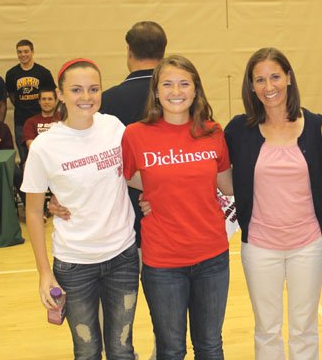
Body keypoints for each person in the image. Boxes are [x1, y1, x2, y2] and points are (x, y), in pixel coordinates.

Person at [21, 58, 139, 359]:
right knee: (86, 351)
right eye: (76, 90)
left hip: (122, 256)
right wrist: (44, 273)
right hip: (74, 265)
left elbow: (134, 174)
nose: (86, 97)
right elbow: (34, 212)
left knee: (122, 348)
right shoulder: (45, 146)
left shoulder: (114, 127)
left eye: (93, 89)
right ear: (60, 94)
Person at [121, 55, 232, 359]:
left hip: (212, 257)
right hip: (162, 262)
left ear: (196, 90)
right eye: (167, 84)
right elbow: (124, 177)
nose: (176, 91)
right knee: (171, 349)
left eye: (184, 83)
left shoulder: (212, 132)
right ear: (155, 91)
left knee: (210, 346)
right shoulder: (135, 134)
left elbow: (229, 186)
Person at [224, 47, 322, 360]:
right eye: (260, 80)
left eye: (275, 76)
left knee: (304, 328)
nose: (269, 86)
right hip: (260, 246)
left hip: (308, 244)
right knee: (267, 330)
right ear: (251, 86)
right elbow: (210, 171)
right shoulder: (238, 130)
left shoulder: (317, 127)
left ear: (288, 78)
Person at [101, 20, 167, 248]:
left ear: (129, 51)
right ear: (163, 52)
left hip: (123, 214)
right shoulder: (183, 98)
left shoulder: (107, 100)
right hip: (175, 211)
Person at [5, 39, 56, 164]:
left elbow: (51, 94)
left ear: (32, 52)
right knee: (25, 159)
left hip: (42, 119)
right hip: (21, 121)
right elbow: (12, 95)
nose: (23, 55)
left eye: (26, 51)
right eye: (19, 52)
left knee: (48, 156)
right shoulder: (11, 74)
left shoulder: (43, 73)